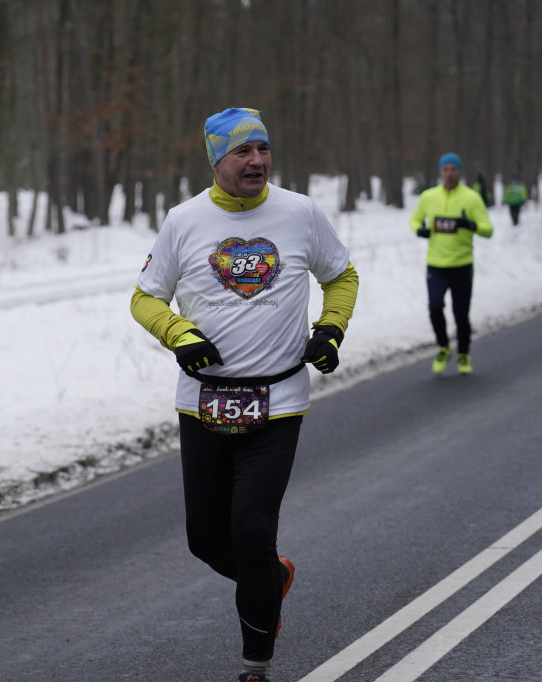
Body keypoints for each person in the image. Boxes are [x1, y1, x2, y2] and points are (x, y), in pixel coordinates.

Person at [131, 108, 358, 682]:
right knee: (207, 541)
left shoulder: (300, 213)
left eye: (263, 149)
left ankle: (256, 666)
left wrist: (330, 329)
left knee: (253, 530)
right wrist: (179, 334)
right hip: (202, 403)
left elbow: (341, 276)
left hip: (277, 402)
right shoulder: (183, 221)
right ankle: (270, 578)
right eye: (242, 152)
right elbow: (145, 297)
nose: (257, 161)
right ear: (216, 160)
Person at [409, 152, 493, 375]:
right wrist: (419, 229)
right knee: (435, 307)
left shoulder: (471, 198)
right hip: (436, 265)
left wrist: (472, 225)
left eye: (453, 169)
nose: (449, 173)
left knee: (461, 314)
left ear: (459, 171)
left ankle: (463, 354)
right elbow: (414, 219)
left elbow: (488, 230)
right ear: (441, 172)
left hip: (462, 265)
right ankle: (444, 347)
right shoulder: (429, 196)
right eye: (445, 169)